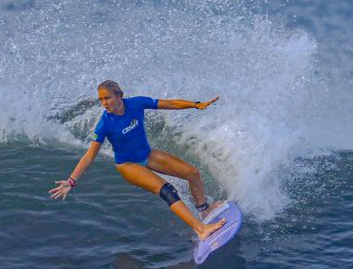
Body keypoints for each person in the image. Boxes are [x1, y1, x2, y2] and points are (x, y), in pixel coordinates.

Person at [50, 80, 228, 239]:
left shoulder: (136, 103)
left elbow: (170, 104)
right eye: (101, 100)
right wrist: (71, 181)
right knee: (168, 191)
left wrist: (195, 105)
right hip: (128, 165)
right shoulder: (105, 124)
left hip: (148, 154)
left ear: (120, 96)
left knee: (192, 173)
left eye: (107, 98)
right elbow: (90, 155)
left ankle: (204, 210)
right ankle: (201, 229)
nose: (104, 103)